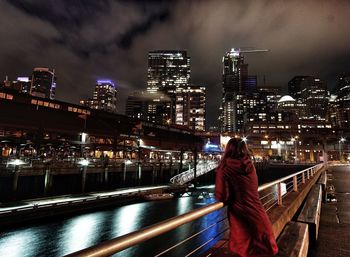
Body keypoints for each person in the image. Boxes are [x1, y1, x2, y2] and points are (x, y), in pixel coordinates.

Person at [215, 138, 278, 257]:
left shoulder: (225, 168)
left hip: (242, 222)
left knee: (245, 251)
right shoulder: (250, 166)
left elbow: (221, 195)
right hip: (260, 218)